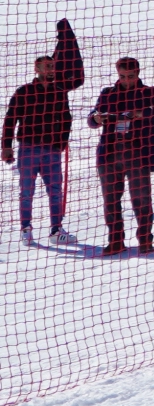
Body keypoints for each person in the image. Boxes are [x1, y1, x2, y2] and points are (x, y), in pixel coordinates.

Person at [2, 20, 85, 245]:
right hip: (28, 148)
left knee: (55, 190)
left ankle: (56, 230)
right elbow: (10, 119)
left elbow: (67, 118)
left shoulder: (60, 91)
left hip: (52, 149)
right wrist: (6, 146)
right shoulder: (24, 92)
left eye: (52, 66)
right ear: (36, 69)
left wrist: (62, 141)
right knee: (26, 190)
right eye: (46, 66)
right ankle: (26, 229)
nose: (50, 69)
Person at [88, 57, 154, 255]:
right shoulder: (108, 93)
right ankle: (115, 240)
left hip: (138, 153)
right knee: (111, 200)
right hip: (110, 153)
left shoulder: (150, 93)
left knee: (141, 198)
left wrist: (143, 113)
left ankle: (145, 240)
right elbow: (92, 118)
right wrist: (96, 118)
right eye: (122, 77)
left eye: (130, 76)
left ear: (137, 74)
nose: (126, 81)